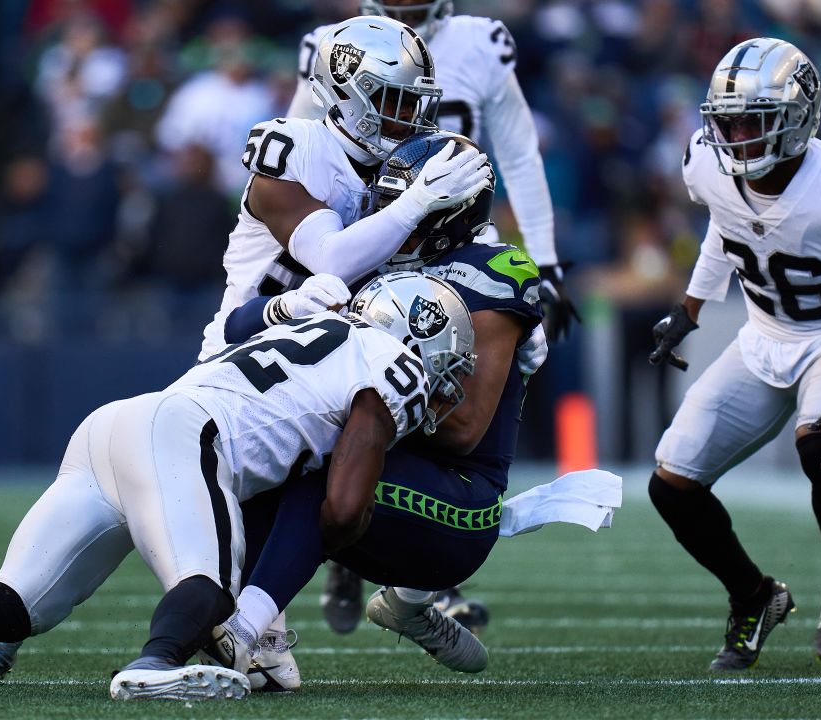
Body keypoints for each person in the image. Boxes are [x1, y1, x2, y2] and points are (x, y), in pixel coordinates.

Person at [0, 271, 477, 701]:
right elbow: (344, 504)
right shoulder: (393, 364)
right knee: (209, 587)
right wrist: (342, 541)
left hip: (114, 428)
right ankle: (156, 665)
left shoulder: (314, 325)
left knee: (16, 606)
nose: (450, 385)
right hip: (184, 433)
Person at [200, 131, 545, 690]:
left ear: (452, 214)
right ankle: (265, 647)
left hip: (460, 501)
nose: (390, 220)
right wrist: (283, 308)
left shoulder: (493, 273)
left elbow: (461, 432)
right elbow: (239, 327)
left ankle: (240, 632)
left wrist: (354, 416)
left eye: (408, 206)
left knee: (319, 465)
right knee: (259, 465)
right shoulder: (374, 268)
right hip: (378, 476)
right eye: (384, 204)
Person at [288, 0, 578, 633]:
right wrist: (330, 257)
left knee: (470, 379)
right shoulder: (333, 44)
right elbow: (305, 161)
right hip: (374, 238)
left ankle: (414, 573)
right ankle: (356, 532)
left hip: (456, 235)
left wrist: (544, 265)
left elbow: (521, 155)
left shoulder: (481, 42)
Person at [646, 38, 821, 670]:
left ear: (798, 116)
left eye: (753, 120)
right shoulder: (707, 165)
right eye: (727, 121)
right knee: (671, 482)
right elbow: (727, 223)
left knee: (818, 443)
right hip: (765, 336)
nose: (736, 136)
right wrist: (689, 309)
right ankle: (754, 596)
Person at [194, 13, 491, 361]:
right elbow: (330, 260)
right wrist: (417, 201)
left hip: (343, 360)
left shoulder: (411, 160)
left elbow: (465, 242)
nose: (409, 116)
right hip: (246, 349)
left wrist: (507, 311)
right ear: (349, 93)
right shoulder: (296, 149)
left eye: (415, 102)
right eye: (396, 100)